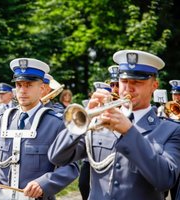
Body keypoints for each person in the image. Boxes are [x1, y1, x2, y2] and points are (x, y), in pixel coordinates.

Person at [48, 50, 180, 200]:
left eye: (137, 82)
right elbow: (57, 157)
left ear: (154, 86)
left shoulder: (171, 130)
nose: (128, 88)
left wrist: (129, 132)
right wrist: (84, 119)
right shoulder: (100, 122)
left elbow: (166, 180)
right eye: (124, 81)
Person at [0, 58, 79, 200]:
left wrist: (43, 184)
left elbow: (71, 167)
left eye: (29, 85)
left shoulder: (56, 123)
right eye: (19, 85)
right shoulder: (3, 120)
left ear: (42, 88)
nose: (22, 90)